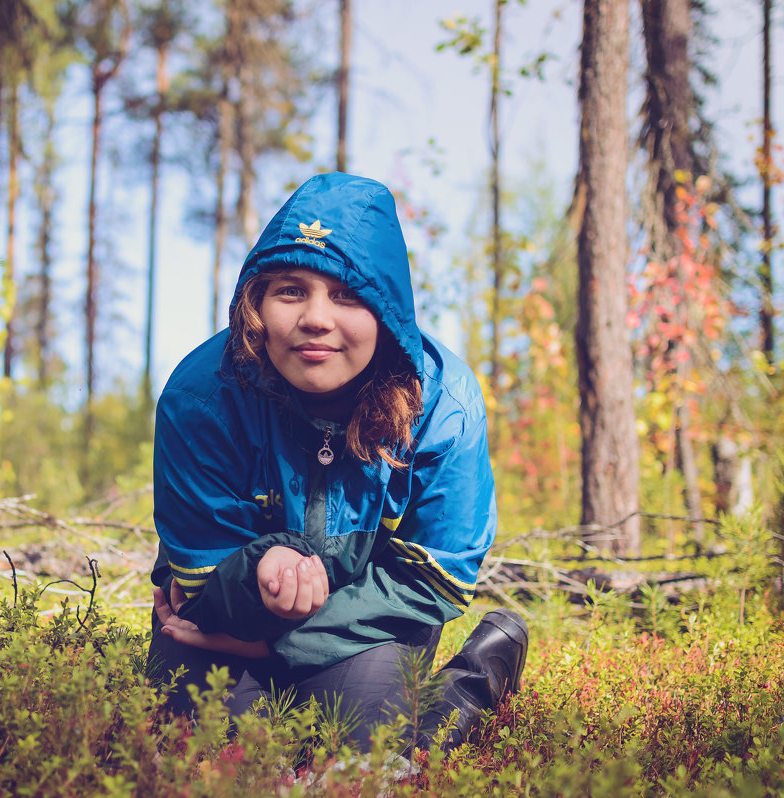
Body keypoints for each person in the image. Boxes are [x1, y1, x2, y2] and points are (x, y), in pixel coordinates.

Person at [146, 172, 528, 751]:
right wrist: (257, 575)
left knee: (360, 756)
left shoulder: (444, 406)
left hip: (372, 623)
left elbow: (437, 574)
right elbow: (199, 569)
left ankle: (474, 682)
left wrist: (270, 646)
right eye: (291, 290)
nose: (317, 319)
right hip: (224, 615)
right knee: (213, 755)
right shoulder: (202, 396)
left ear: (388, 310)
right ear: (257, 302)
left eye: (348, 295)